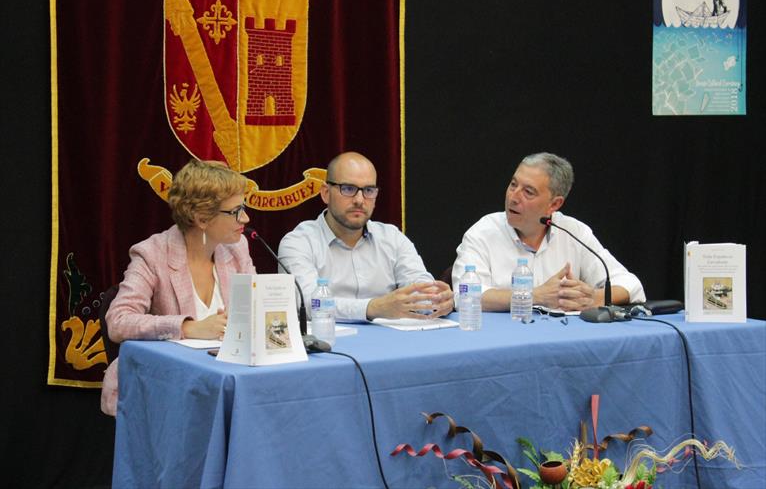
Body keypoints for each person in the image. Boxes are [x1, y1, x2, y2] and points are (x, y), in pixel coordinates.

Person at [100, 159, 255, 416]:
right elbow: (118, 321)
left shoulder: (237, 249)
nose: (246, 218)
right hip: (164, 391)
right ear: (202, 219)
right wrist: (188, 327)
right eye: (236, 211)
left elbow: (254, 310)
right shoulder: (152, 254)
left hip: (228, 383)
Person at [452, 152, 645, 312]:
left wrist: (593, 298)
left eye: (528, 192)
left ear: (554, 204)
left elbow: (630, 284)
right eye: (513, 184)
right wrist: (536, 296)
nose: (514, 197)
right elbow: (465, 295)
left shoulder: (573, 232)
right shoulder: (483, 232)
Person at [278, 151, 453, 322]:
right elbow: (307, 303)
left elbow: (419, 285)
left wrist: (436, 299)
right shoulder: (298, 243)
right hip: (329, 345)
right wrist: (374, 307)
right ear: (325, 193)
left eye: (369, 190)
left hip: (394, 342)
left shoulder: (392, 237)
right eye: (348, 189)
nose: (360, 200)